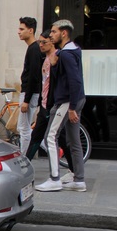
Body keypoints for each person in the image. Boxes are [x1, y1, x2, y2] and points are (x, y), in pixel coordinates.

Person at [36, 19, 86, 192]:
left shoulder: (66, 53)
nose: (51, 35)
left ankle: (54, 179)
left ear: (64, 33)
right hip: (72, 100)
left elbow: (75, 81)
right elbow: (69, 79)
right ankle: (78, 180)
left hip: (67, 101)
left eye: (54, 32)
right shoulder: (71, 51)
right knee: (73, 140)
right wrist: (55, 65)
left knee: (50, 136)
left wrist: (72, 107)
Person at [26, 30, 74, 181]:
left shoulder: (59, 58)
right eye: (39, 42)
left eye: (44, 42)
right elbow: (42, 83)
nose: (40, 45)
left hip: (54, 104)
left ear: (52, 42)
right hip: (45, 104)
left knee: (52, 138)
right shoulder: (43, 59)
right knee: (39, 137)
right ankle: (73, 171)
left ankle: (61, 176)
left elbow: (61, 82)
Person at [17, 17, 42, 155]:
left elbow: (33, 76)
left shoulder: (33, 49)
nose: (18, 32)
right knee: (25, 128)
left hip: (29, 94)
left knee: (24, 128)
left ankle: (24, 159)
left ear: (30, 30)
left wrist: (26, 99)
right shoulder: (34, 48)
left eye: (22, 29)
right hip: (31, 93)